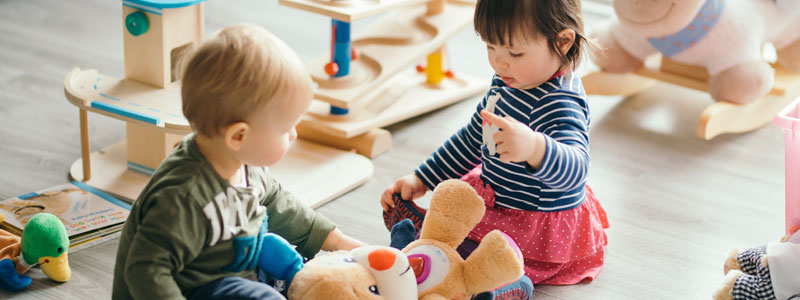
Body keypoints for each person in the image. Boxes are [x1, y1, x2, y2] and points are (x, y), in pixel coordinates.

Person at [112, 24, 366, 300]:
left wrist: (339, 242)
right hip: (189, 288)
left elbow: (279, 204)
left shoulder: (243, 162)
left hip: (229, 269)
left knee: (282, 255)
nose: (294, 134)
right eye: (286, 128)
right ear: (238, 135)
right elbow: (146, 270)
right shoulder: (183, 197)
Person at [381, 0, 609, 289]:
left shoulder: (560, 103)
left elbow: (576, 170)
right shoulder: (507, 81)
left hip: (534, 223)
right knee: (457, 211)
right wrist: (423, 178)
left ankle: (492, 284)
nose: (499, 62)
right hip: (497, 197)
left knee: (484, 255)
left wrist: (535, 148)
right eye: (490, 47)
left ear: (562, 42)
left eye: (515, 52)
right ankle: (431, 240)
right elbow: (473, 138)